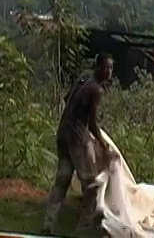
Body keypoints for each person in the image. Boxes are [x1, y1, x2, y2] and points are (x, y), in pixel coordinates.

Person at [42, 52, 117, 235]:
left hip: (63, 132)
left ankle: (49, 223)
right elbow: (92, 124)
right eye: (105, 67)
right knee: (91, 183)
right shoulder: (95, 90)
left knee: (63, 179)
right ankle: (85, 226)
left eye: (111, 68)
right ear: (98, 66)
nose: (108, 71)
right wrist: (103, 144)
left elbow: (67, 99)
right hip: (77, 138)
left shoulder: (84, 76)